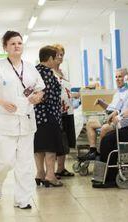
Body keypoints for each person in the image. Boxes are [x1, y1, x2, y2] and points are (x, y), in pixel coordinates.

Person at [0, 31, 45, 209]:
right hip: (5, 121)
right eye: (12, 43)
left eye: (19, 43)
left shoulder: (31, 67)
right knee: (5, 161)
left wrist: (37, 97)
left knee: (25, 163)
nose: (17, 46)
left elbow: (40, 89)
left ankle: (22, 199)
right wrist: (1, 102)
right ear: (5, 47)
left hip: (26, 121)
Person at [83, 68, 128, 160]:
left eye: (120, 76)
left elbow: (122, 110)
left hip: (117, 118)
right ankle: (93, 151)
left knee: (104, 128)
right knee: (90, 123)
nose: (117, 79)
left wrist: (114, 114)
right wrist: (101, 103)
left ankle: (101, 154)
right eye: (116, 77)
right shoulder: (117, 92)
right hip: (108, 115)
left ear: (126, 78)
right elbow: (110, 108)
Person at [34, 46, 64, 187]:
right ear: (50, 58)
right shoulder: (47, 74)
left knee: (39, 147)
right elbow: (47, 96)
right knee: (50, 148)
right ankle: (50, 175)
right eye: (56, 57)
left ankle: (40, 173)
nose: (57, 60)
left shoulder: (33, 71)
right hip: (49, 115)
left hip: (36, 117)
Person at [51, 44, 76, 178]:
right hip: (57, 111)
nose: (60, 57)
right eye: (57, 54)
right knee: (57, 141)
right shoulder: (50, 72)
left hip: (67, 110)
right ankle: (53, 170)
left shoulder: (63, 72)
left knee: (65, 141)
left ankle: (61, 168)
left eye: (62, 54)